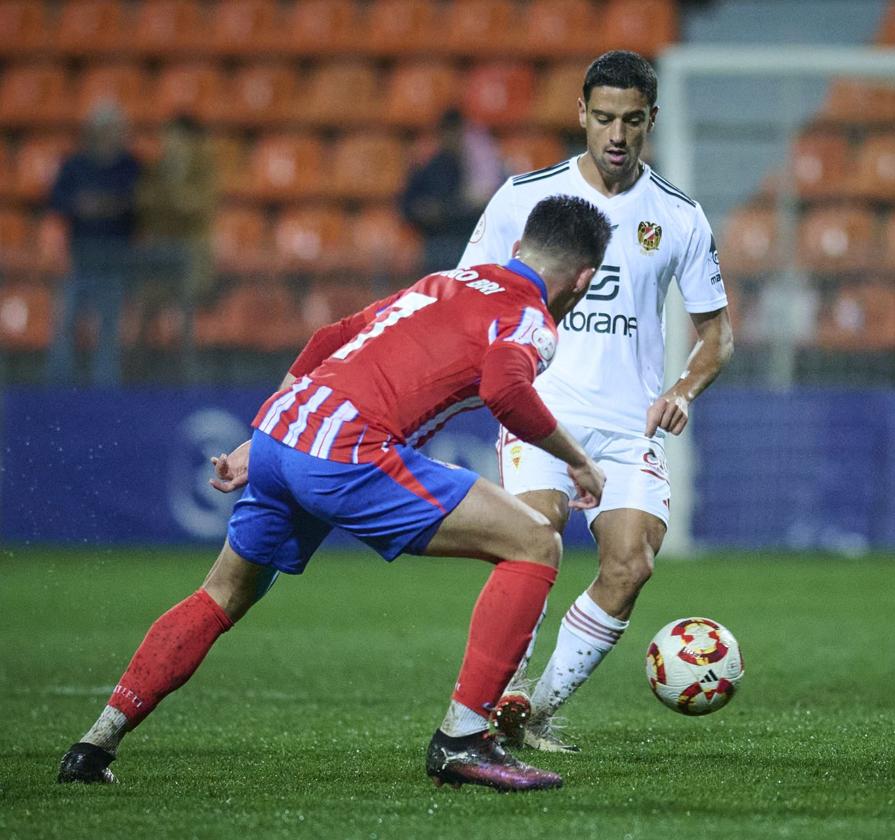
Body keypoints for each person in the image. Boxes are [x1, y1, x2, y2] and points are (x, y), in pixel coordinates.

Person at [56, 195, 613, 792]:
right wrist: (577, 460)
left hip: (281, 434)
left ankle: (95, 743)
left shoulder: (447, 279)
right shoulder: (531, 317)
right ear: (583, 279)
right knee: (534, 541)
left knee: (219, 595)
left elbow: (333, 336)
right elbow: (505, 389)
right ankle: (461, 741)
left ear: (517, 249)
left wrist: (262, 435)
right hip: (347, 450)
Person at [458, 50, 734, 751]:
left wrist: (683, 388)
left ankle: (535, 709)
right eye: (603, 118)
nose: (616, 134)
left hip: (627, 424)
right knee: (534, 533)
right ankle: (499, 692)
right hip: (541, 416)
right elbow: (466, 296)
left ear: (652, 121)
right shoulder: (524, 197)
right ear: (581, 113)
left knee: (631, 563)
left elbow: (716, 336)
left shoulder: (677, 216)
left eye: (632, 121)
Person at [45, 101, 142, 386]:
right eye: (103, 129)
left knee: (109, 327)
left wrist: (99, 205)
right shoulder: (75, 165)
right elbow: (60, 203)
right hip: (79, 257)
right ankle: (57, 385)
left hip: (115, 260)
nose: (109, 135)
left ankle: (105, 386)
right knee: (66, 324)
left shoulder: (129, 166)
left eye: (114, 129)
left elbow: (135, 205)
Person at [134, 114, 217, 381]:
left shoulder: (204, 170)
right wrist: (177, 201)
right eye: (169, 137)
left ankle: (187, 376)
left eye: (180, 138)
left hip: (189, 256)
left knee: (186, 315)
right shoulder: (156, 169)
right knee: (148, 313)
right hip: (159, 254)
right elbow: (144, 204)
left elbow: (198, 207)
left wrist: (173, 201)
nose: (173, 144)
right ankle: (140, 374)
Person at [399, 108, 506, 275]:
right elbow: (407, 205)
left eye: (455, 133)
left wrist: (448, 210)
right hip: (437, 241)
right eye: (447, 133)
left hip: (467, 239)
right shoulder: (430, 166)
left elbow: (482, 205)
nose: (451, 138)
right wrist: (424, 211)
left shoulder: (475, 166)